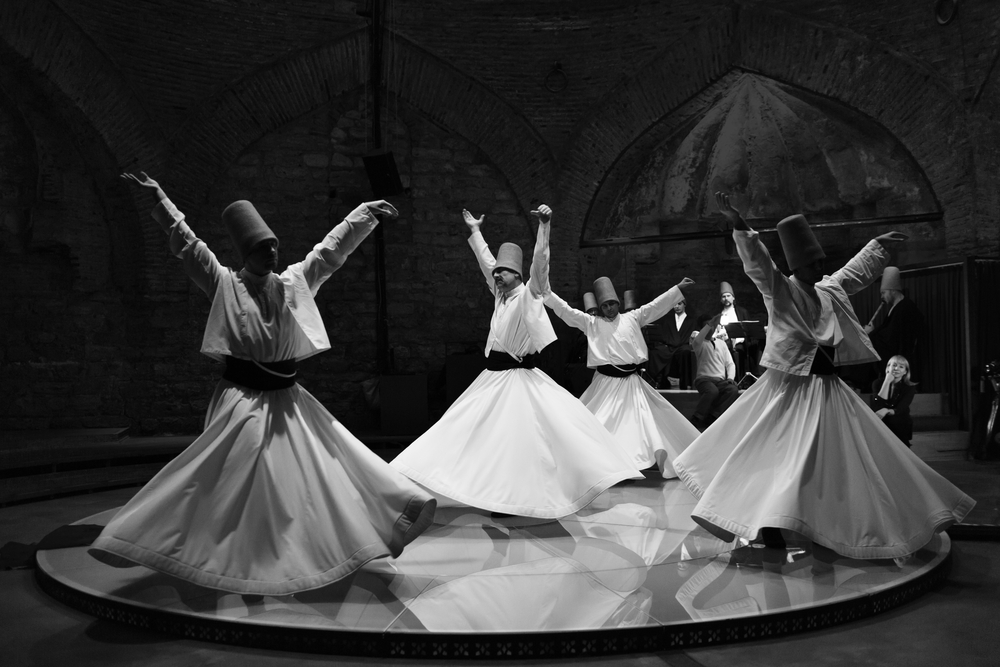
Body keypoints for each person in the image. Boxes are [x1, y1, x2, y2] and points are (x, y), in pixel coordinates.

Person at [89, 173, 436, 596]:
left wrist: (364, 215)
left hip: (287, 398)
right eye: (261, 247)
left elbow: (330, 251)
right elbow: (189, 245)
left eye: (273, 245)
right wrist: (161, 199)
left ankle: (293, 550)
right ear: (246, 252)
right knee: (238, 472)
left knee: (315, 469)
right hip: (243, 398)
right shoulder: (225, 284)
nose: (271, 252)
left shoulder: (293, 283)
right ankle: (215, 551)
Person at [671, 192, 974, 560]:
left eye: (820, 261)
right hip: (791, 388)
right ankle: (769, 524)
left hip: (827, 388)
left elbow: (853, 274)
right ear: (798, 265)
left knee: (835, 460)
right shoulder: (781, 290)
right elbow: (759, 265)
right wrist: (739, 224)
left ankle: (827, 524)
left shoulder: (827, 288)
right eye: (813, 262)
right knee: (777, 457)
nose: (820, 266)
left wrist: (877, 246)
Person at [390, 206, 643, 518]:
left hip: (518, 377)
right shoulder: (499, 296)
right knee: (468, 428)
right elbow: (486, 263)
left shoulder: (529, 295)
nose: (497, 275)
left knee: (520, 438)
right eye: (496, 272)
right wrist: (476, 232)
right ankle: (453, 482)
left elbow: (541, 264)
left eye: (503, 272)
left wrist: (544, 227)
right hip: (493, 377)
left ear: (518, 276)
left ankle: (519, 496)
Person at [544, 276, 700, 478]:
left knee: (635, 425)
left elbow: (656, 306)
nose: (609, 308)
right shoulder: (592, 323)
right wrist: (546, 293)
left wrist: (677, 289)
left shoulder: (633, 317)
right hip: (606, 383)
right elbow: (566, 311)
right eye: (605, 305)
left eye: (612, 303)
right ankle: (605, 465)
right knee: (599, 423)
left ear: (618, 303)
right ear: (600, 307)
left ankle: (633, 463)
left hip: (631, 383)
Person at [864, 266, 925, 379]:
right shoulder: (897, 307)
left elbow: (891, 339)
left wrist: (871, 333)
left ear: (892, 290)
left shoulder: (905, 308)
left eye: (883, 293)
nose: (882, 297)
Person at [689, 313, 740, 431]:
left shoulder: (721, 343)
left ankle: (714, 416)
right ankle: (697, 417)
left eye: (713, 326)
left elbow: (730, 363)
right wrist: (710, 324)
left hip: (720, 381)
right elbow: (698, 339)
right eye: (707, 326)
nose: (711, 329)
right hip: (704, 379)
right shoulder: (698, 342)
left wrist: (730, 378)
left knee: (732, 389)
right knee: (712, 391)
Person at [645, 298, 697, 389]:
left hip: (683, 346)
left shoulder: (691, 321)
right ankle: (657, 382)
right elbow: (663, 335)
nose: (677, 306)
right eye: (674, 304)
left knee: (685, 352)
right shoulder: (668, 320)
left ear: (684, 304)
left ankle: (685, 384)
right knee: (655, 353)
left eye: (679, 304)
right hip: (670, 346)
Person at [871, 355, 917, 447]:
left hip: (899, 420)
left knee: (895, 421)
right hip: (881, 420)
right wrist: (887, 382)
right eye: (894, 365)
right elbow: (877, 404)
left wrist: (887, 410)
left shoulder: (909, 387)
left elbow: (901, 408)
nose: (896, 368)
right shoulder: (877, 383)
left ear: (905, 372)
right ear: (888, 367)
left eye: (901, 367)